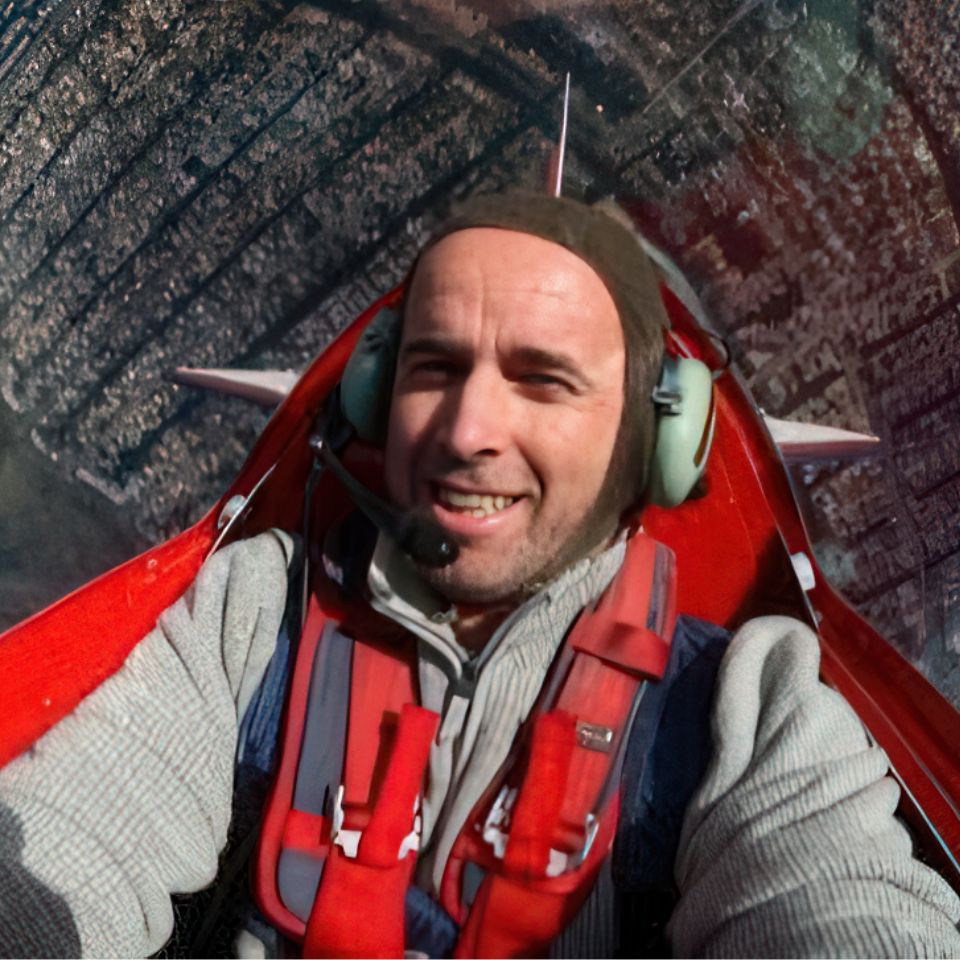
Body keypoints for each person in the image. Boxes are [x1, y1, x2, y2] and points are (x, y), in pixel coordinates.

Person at [1, 192, 958, 959]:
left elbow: (837, 903)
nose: (465, 432)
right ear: (376, 399)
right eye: (434, 368)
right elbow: (67, 846)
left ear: (656, 441)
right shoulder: (254, 618)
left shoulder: (746, 715)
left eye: (543, 379)